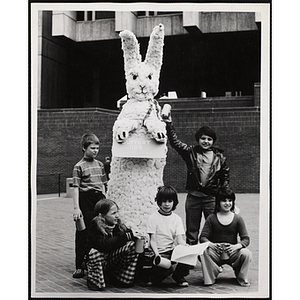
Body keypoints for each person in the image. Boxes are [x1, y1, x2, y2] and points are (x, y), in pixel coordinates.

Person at [163, 111, 230, 245]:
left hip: (211, 198)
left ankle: (211, 257)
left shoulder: (220, 157)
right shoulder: (190, 152)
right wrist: (169, 124)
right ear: (198, 139)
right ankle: (191, 258)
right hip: (193, 197)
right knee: (192, 230)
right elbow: (175, 143)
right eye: (203, 138)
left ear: (213, 141)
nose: (206, 141)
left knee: (213, 229)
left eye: (209, 139)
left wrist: (225, 197)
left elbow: (225, 177)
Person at [198, 187, 252, 287]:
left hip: (233, 253)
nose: (227, 203)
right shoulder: (211, 218)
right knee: (202, 252)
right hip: (216, 253)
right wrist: (212, 245)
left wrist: (236, 246)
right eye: (224, 200)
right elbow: (203, 237)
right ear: (218, 202)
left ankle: (241, 278)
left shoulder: (238, 219)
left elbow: (246, 239)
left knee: (246, 253)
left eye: (230, 200)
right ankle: (210, 277)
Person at [72, 133, 107, 278]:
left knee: (99, 231)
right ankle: (80, 265)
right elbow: (75, 188)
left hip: (99, 200)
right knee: (83, 233)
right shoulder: (78, 167)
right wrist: (76, 208)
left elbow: (104, 185)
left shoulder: (100, 165)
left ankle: (95, 262)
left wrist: (105, 200)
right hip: (85, 200)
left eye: (97, 148)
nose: (95, 150)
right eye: (92, 148)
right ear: (84, 148)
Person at [85, 199, 139, 291]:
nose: (117, 216)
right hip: (98, 260)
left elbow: (127, 235)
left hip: (111, 260)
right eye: (113, 213)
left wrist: (133, 236)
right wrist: (122, 238)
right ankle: (94, 279)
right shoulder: (95, 227)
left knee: (131, 245)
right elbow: (104, 245)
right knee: (94, 252)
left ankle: (121, 277)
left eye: (117, 212)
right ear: (102, 215)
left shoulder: (118, 224)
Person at [146, 186, 190, 287]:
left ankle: (178, 275)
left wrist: (185, 247)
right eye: (164, 201)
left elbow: (180, 239)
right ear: (159, 202)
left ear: (174, 202)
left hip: (171, 251)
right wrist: (157, 254)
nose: (166, 204)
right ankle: (154, 276)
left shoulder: (176, 219)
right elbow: (152, 240)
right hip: (158, 253)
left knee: (188, 253)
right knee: (167, 268)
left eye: (170, 201)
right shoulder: (153, 218)